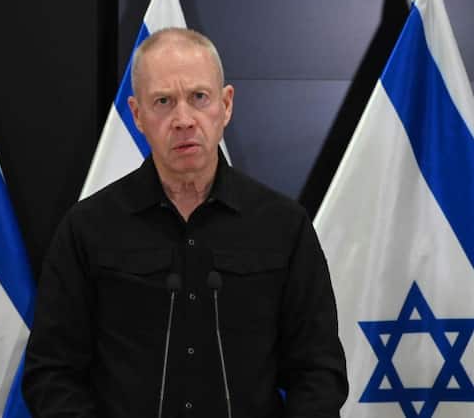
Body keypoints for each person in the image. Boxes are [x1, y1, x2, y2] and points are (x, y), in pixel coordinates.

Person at [23, 27, 348, 418]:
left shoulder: (283, 226)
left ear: (225, 105)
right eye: (163, 101)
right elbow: (52, 373)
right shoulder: (87, 228)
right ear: (137, 115)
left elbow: (318, 370)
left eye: (199, 97)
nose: (183, 120)